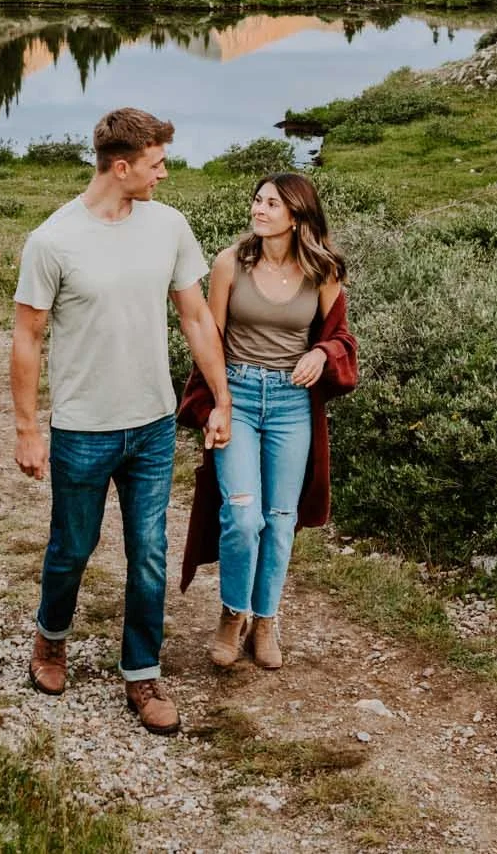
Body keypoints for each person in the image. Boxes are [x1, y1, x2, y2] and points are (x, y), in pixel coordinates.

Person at [11, 107, 232, 735]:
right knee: (72, 548)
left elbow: (195, 319)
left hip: (154, 425)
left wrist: (221, 399)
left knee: (151, 553)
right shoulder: (52, 240)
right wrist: (28, 428)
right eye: (157, 164)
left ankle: (141, 672)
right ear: (122, 166)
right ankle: (50, 639)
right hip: (82, 428)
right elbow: (27, 338)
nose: (165, 175)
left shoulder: (169, 226)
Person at [177, 172, 357, 671]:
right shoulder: (230, 263)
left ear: (296, 215)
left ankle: (266, 619)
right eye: (257, 200)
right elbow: (209, 339)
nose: (259, 209)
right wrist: (217, 402)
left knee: (280, 521)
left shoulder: (322, 271)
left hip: (290, 403)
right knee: (241, 515)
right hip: (235, 396)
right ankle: (231, 616)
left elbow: (341, 337)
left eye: (271, 203)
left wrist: (321, 353)